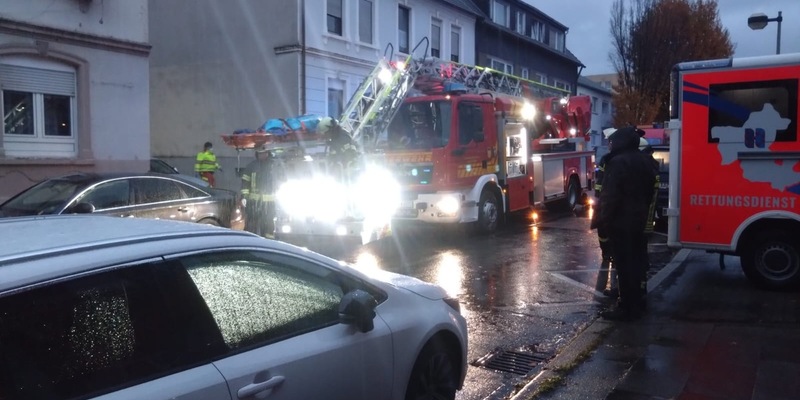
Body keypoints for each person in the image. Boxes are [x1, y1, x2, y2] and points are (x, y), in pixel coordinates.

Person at [595, 126, 657, 321]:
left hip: (620, 223)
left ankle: (626, 307)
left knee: (623, 265)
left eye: (613, 141)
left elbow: (610, 196)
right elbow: (649, 193)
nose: (611, 144)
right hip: (638, 221)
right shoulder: (645, 161)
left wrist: (604, 219)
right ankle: (636, 302)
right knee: (637, 262)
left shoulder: (617, 163)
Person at [591, 128, 619, 297]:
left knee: (610, 250)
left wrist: (600, 198)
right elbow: (599, 181)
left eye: (609, 141)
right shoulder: (607, 159)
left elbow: (601, 183)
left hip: (606, 206)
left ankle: (611, 288)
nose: (608, 144)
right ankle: (610, 287)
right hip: (605, 206)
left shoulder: (611, 159)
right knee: (606, 241)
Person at [240, 145, 284, 238]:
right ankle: (251, 241)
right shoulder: (252, 166)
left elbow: (281, 180)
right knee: (252, 225)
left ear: (267, 153)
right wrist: (244, 197)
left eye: (264, 153)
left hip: (269, 202)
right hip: (254, 202)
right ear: (257, 154)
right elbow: (245, 182)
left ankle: (268, 242)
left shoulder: (273, 166)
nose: (262, 155)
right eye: (260, 154)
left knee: (268, 224)